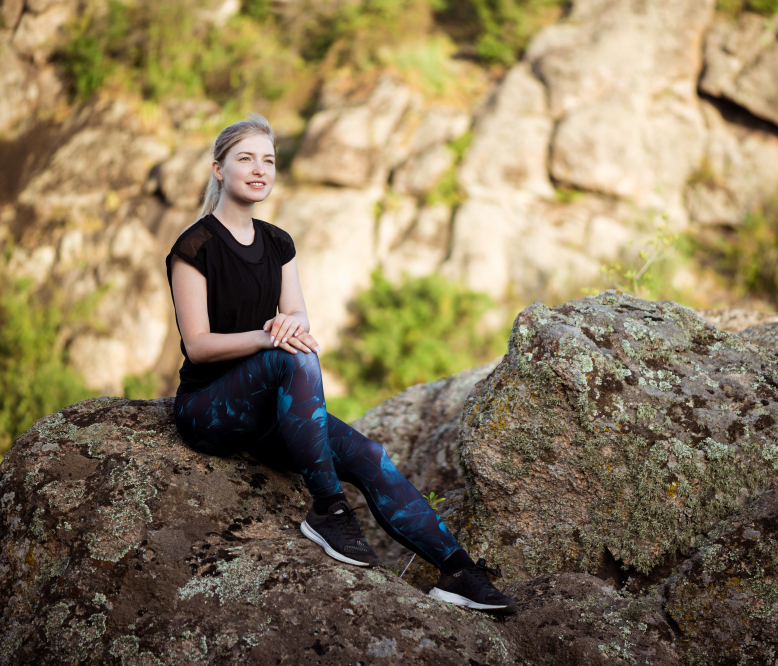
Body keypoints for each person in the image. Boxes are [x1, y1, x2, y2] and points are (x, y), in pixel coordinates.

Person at [165, 113, 516, 615]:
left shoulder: (278, 243)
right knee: (292, 357)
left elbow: (299, 317)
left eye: (268, 160)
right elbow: (198, 345)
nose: (259, 169)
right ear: (218, 169)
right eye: (245, 158)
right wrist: (270, 335)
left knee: (370, 454)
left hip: (270, 411)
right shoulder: (194, 246)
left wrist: (288, 329)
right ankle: (329, 508)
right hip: (210, 410)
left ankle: (459, 571)